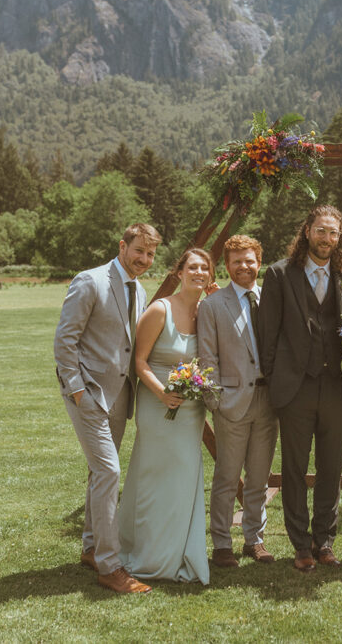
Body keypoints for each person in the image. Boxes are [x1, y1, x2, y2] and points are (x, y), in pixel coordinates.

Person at [54, 223, 161, 594]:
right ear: (122, 245)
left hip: (121, 397)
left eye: (150, 255)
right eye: (139, 251)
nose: (144, 260)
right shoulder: (91, 281)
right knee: (109, 472)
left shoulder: (140, 290)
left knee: (98, 474)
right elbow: (65, 341)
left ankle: (90, 547)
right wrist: (78, 391)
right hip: (90, 395)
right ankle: (110, 566)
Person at [258, 205, 342, 572]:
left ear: (340, 237)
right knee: (295, 469)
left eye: (334, 233)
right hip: (295, 389)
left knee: (331, 468)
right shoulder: (279, 274)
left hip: (338, 387)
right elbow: (267, 335)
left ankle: (325, 541)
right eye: (321, 230)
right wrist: (276, 380)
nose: (327, 239)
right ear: (307, 231)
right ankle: (301, 545)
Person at [116, 248, 215, 585]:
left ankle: (181, 553)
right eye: (193, 267)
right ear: (179, 272)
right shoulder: (160, 310)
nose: (199, 273)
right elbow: (139, 361)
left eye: (205, 268)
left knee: (185, 479)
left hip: (191, 412)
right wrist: (162, 393)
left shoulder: (206, 311)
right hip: (156, 405)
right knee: (154, 477)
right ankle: (146, 553)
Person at [197, 235, 278, 568]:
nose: (244, 266)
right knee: (227, 478)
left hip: (268, 401)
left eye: (250, 260)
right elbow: (207, 356)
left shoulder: (272, 298)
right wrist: (216, 401)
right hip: (231, 402)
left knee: (259, 478)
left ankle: (254, 540)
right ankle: (221, 544)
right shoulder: (213, 305)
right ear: (227, 266)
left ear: (259, 261)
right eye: (236, 261)